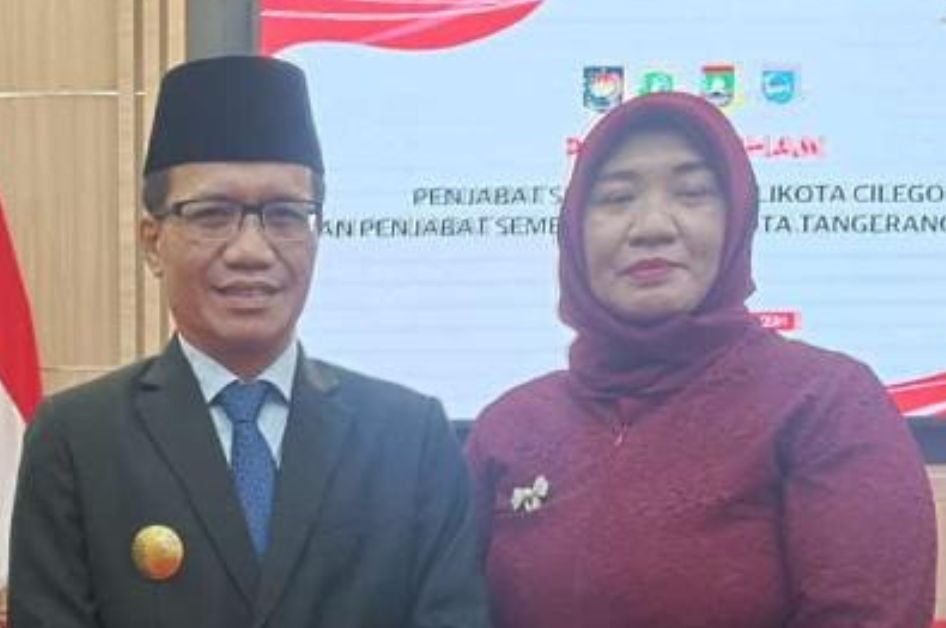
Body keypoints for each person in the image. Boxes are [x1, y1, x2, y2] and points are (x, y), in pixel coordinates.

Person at [9, 55, 490, 628]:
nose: (251, 251)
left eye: (285, 215)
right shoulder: (77, 440)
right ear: (152, 241)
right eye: (213, 214)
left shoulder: (411, 439)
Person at [465, 91, 936, 627]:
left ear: (736, 219)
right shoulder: (510, 427)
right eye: (617, 198)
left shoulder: (826, 403)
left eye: (692, 193)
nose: (652, 226)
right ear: (572, 230)